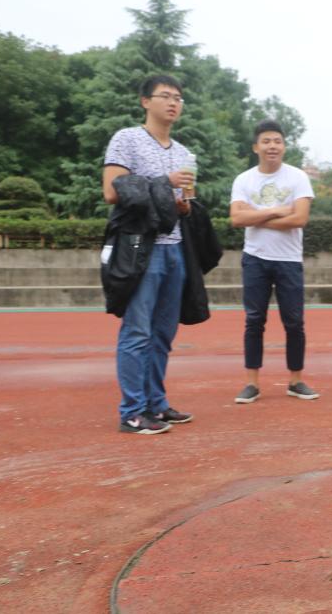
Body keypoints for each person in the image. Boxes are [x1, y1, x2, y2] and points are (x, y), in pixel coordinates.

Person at [101, 74, 195, 434]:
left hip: (174, 249)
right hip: (141, 247)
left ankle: (156, 404)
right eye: (165, 96)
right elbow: (112, 191)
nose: (173, 103)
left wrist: (183, 204)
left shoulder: (184, 152)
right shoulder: (126, 139)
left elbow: (184, 205)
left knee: (162, 334)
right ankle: (132, 411)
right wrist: (165, 183)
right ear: (145, 101)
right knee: (137, 330)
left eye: (178, 98)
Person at [229, 120, 318, 405]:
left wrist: (256, 215)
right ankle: (251, 383)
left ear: (284, 146)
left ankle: (296, 380)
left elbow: (300, 218)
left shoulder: (297, 177)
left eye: (277, 141)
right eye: (266, 141)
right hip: (255, 259)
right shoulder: (244, 180)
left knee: (294, 322)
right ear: (256, 147)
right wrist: (279, 210)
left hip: (288, 260)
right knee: (254, 321)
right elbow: (236, 218)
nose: (272, 146)